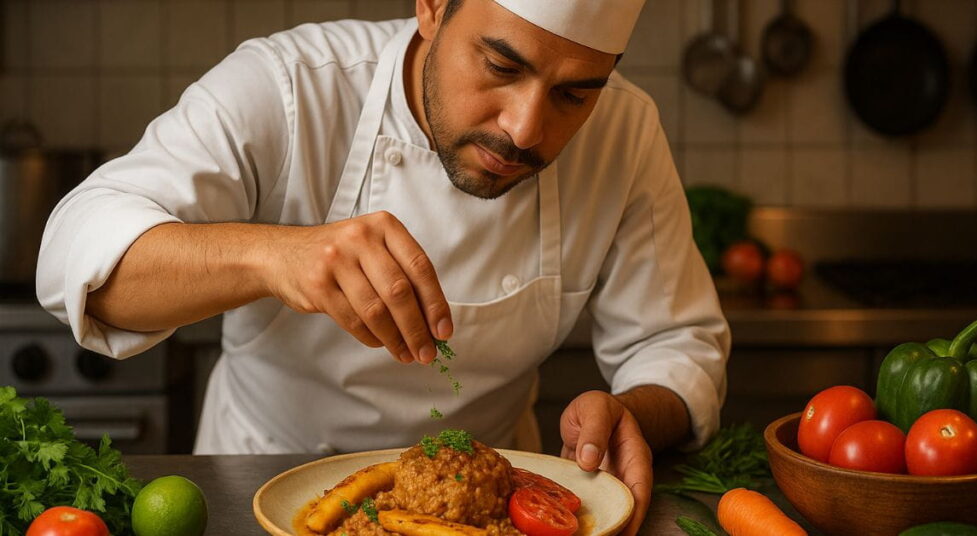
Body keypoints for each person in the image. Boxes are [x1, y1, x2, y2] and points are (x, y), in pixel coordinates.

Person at [37, 0, 729, 532]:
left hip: (484, 514)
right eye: (500, 66)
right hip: (259, 493)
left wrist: (632, 411)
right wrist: (273, 254)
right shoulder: (290, 89)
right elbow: (76, 252)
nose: (524, 128)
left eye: (574, 94)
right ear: (431, 5)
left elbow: (676, 344)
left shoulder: (627, 134)